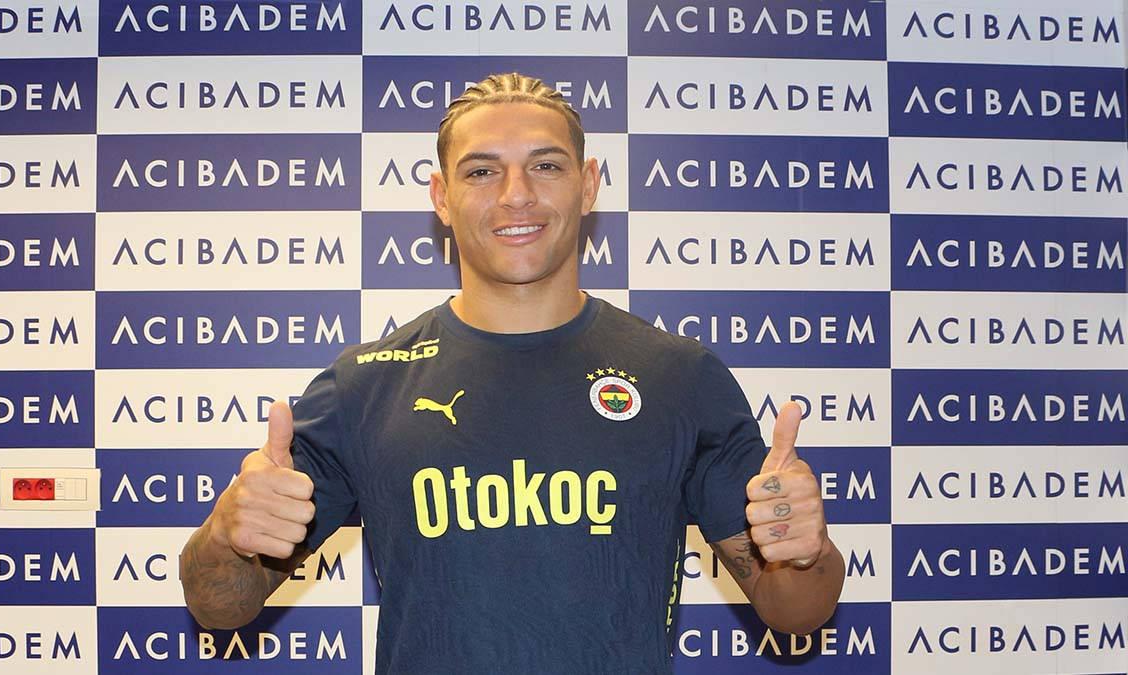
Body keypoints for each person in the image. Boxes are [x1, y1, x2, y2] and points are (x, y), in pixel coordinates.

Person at [180, 72, 845, 673]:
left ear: (588, 185)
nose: (516, 195)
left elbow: (795, 613)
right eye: (481, 172)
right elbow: (220, 606)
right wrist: (228, 536)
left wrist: (804, 554)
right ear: (441, 196)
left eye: (545, 166)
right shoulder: (366, 385)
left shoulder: (679, 376)